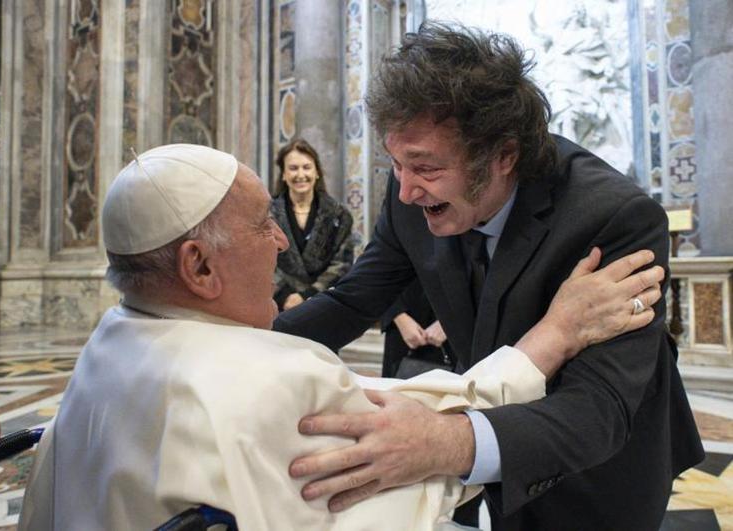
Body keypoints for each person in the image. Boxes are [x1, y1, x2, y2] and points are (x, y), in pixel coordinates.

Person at [18, 144, 661, 531]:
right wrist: (555, 332)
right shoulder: (275, 378)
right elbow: (429, 436)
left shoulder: (107, 343)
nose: (278, 241)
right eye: (261, 225)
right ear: (199, 266)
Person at [275, 23, 704, 530]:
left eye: (425, 169)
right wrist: (234, 343)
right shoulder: (411, 193)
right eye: (395, 165)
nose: (407, 191)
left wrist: (445, 442)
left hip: (601, 470)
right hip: (495, 459)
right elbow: (352, 303)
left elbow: (598, 408)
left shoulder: (612, 218)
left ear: (503, 156)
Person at [272, 138, 354, 311]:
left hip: (323, 306)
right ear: (284, 174)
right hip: (277, 306)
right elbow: (260, 259)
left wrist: (308, 295)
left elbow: (342, 264)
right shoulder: (266, 215)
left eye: (307, 167)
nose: (300, 174)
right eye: (293, 168)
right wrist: (284, 295)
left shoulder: (339, 216)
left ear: (317, 172)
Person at [380, 279, 450, 378]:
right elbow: (378, 275)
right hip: (403, 321)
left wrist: (451, 319)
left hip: (459, 322)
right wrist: (398, 316)